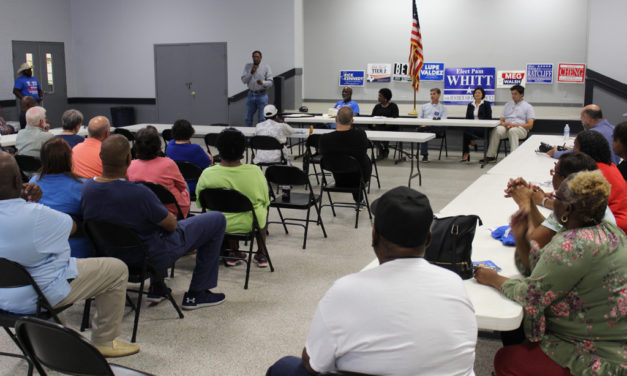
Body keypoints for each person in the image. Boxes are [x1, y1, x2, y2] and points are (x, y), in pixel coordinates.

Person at [266, 186, 477, 376]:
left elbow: (313, 364)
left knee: (284, 367)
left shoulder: (346, 291)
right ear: (428, 239)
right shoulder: (454, 283)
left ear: (374, 237)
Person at [475, 170, 627, 376]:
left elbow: (532, 295)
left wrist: (494, 279)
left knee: (507, 359)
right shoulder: (609, 231)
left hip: (597, 354)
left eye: (555, 198)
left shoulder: (572, 244)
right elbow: (544, 266)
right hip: (614, 340)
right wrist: (522, 238)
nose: (550, 201)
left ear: (567, 209)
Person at [0, 151, 140, 358]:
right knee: (116, 269)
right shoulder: (39, 215)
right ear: (17, 180)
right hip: (37, 295)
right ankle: (104, 342)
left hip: (3, 297)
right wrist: (33, 204)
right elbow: (73, 227)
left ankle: (51, 340)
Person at [81, 135, 227, 309]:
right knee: (216, 219)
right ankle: (198, 293)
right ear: (129, 158)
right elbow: (171, 226)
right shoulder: (139, 193)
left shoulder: (87, 188)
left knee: (148, 227)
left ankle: (158, 286)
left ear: (101, 158)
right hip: (148, 257)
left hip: (109, 255)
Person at [505, 152, 616, 254]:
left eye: (554, 172)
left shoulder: (572, 208)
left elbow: (532, 249)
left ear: (565, 180)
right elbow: (549, 229)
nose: (552, 176)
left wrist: (524, 205)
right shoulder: (589, 200)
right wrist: (530, 200)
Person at [195, 129, 270, 267]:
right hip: (249, 223)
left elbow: (200, 202)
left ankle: (233, 252)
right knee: (261, 209)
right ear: (242, 151)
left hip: (216, 222)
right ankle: (261, 253)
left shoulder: (207, 173)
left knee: (226, 208)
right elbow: (266, 200)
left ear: (219, 149)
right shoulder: (255, 172)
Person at [29, 138, 93, 258]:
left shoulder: (33, 183)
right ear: (69, 159)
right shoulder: (83, 186)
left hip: (44, 252)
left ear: (43, 159)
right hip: (77, 252)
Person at [128, 127, 191, 218]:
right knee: (185, 185)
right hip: (171, 213)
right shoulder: (168, 163)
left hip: (143, 211)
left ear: (136, 146)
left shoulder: (129, 166)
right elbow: (182, 187)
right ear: (158, 144)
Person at [574, 130, 627, 232]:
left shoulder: (593, 174)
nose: (573, 151)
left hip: (614, 228)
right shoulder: (610, 166)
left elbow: (573, 208)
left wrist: (543, 200)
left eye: (575, 147)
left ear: (584, 152)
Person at [319, 107, 371, 199]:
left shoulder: (324, 139)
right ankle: (359, 199)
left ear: (335, 119)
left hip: (338, 177)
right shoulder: (360, 135)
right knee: (363, 158)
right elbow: (362, 154)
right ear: (352, 121)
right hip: (358, 179)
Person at [548, 104, 620, 165]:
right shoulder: (614, 129)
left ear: (588, 119)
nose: (581, 121)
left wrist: (555, 153)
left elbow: (575, 154)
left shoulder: (592, 134)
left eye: (581, 118)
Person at [481, 85, 535, 163]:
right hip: (507, 127)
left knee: (513, 131)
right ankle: (491, 156)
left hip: (521, 129)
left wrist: (515, 125)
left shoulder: (528, 107)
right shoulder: (507, 105)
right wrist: (505, 124)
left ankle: (513, 157)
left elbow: (530, 125)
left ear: (521, 94)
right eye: (512, 94)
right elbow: (501, 120)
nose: (513, 96)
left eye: (515, 94)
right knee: (497, 129)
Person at [165, 118, 212, 193]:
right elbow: (208, 162)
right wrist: (208, 156)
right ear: (190, 132)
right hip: (195, 185)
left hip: (176, 184)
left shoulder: (170, 145)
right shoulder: (196, 149)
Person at [241, 50, 273, 127]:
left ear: (261, 58)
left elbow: (270, 82)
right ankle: (248, 138)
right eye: (254, 57)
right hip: (251, 94)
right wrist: (251, 73)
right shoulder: (248, 66)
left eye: (257, 57)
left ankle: (260, 137)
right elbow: (244, 80)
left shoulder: (266, 67)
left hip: (262, 95)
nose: (255, 58)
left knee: (262, 119)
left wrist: (262, 83)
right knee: (247, 118)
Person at [461, 86, 492, 162]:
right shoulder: (470, 105)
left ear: (482, 95)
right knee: (465, 131)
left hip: (482, 128)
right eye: (476, 93)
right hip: (472, 127)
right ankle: (466, 153)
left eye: (479, 93)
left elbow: (489, 117)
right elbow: (467, 118)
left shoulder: (486, 104)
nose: (477, 94)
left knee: (468, 132)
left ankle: (472, 142)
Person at [418, 88, 448, 162]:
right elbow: (419, 118)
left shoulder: (443, 108)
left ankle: (426, 128)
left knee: (425, 130)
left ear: (439, 95)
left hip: (437, 129)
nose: (432, 96)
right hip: (425, 128)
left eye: (434, 94)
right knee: (424, 132)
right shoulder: (424, 106)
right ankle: (425, 155)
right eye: (431, 94)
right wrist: (423, 124)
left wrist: (430, 125)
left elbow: (443, 120)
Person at [370, 88, 399, 160]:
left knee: (381, 130)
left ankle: (383, 150)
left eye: (380, 96)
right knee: (372, 132)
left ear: (385, 98)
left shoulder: (393, 106)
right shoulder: (377, 106)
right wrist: (373, 122)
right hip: (377, 127)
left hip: (390, 127)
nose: (378, 97)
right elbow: (372, 116)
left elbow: (395, 118)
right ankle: (383, 149)